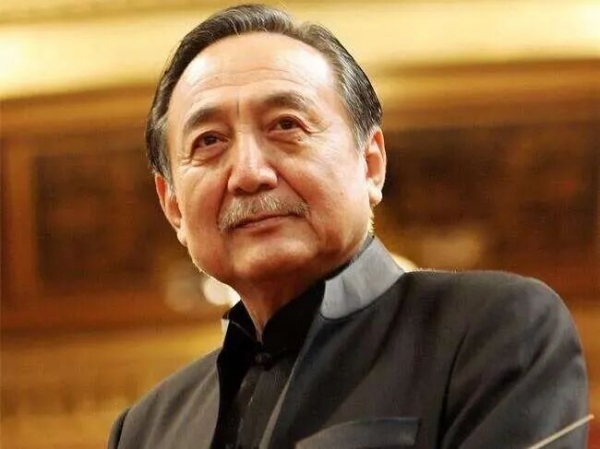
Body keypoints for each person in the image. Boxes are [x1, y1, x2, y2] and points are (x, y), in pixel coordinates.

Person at [108, 4, 588, 448]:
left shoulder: (493, 331)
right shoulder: (146, 430)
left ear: (371, 164)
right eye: (209, 141)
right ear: (173, 205)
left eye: (286, 125)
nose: (249, 173)